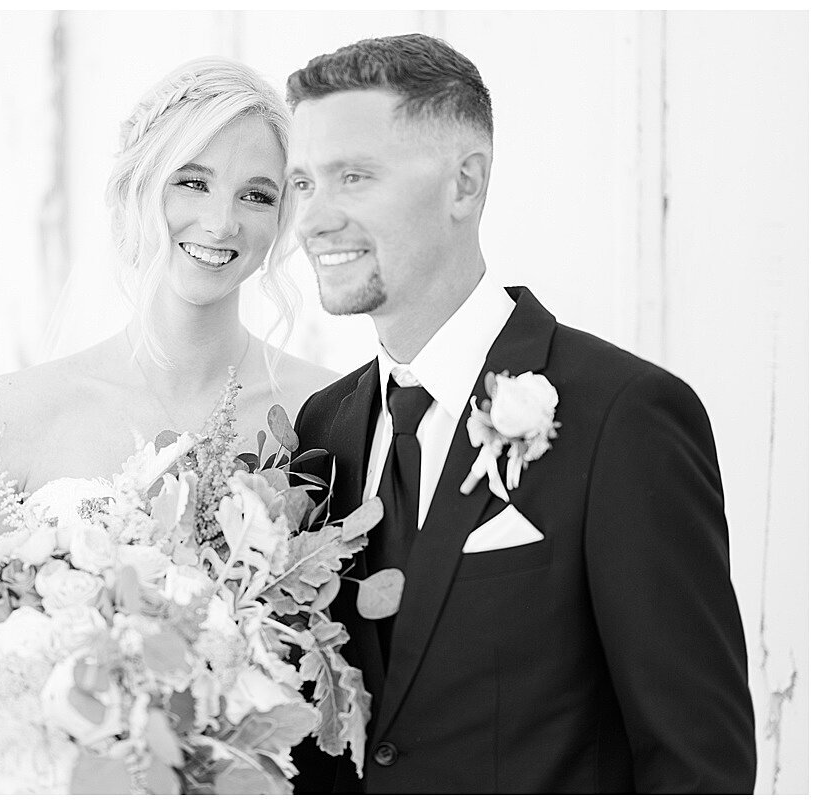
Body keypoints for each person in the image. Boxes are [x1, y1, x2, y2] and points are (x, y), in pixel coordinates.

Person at [284, 34, 756, 793]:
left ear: (464, 183)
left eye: (354, 176)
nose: (312, 218)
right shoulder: (322, 428)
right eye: (303, 183)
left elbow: (698, 763)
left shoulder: (623, 418)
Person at [0, 57, 335, 538]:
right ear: (136, 189)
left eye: (256, 196)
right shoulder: (9, 418)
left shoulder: (331, 414)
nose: (221, 223)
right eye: (193, 183)